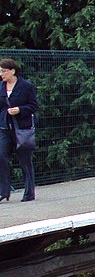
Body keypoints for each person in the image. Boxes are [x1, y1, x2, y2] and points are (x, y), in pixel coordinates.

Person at [0, 58, 38, 202]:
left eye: (3, 71)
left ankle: (29, 193)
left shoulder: (26, 86)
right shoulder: (1, 87)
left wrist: (20, 110)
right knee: (1, 156)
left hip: (22, 129)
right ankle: (3, 191)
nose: (1, 74)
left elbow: (33, 106)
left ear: (12, 71)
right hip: (5, 127)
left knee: (25, 161)